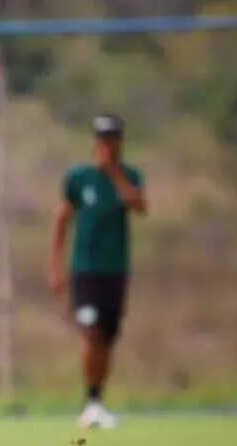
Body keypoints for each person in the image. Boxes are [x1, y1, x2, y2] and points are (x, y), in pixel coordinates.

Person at [48, 113, 146, 429]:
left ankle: (97, 400)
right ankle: (90, 402)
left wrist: (115, 175)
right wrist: (56, 267)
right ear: (95, 142)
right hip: (85, 269)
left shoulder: (129, 176)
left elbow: (139, 206)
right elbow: (62, 219)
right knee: (89, 332)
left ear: (120, 142)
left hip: (115, 270)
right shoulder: (79, 178)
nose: (107, 145)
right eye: (102, 139)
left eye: (113, 139)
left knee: (107, 336)